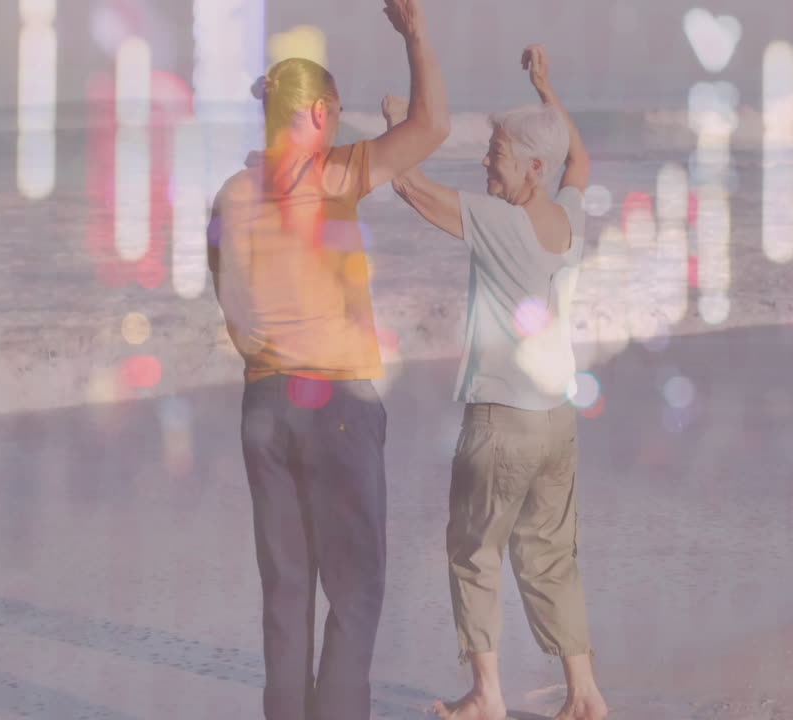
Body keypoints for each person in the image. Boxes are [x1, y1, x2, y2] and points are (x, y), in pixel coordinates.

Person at [205, 1, 449, 718]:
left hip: (262, 405)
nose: (340, 126)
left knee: (285, 597)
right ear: (311, 111)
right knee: (356, 585)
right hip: (335, 403)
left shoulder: (229, 195)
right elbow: (430, 126)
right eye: (335, 113)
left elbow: (232, 307)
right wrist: (416, 35)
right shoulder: (331, 177)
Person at [384, 44, 608, 720]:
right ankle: (585, 695)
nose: (486, 163)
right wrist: (547, 89)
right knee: (551, 556)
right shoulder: (569, 217)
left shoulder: (501, 221)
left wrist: (398, 128)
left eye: (498, 155)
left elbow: (411, 187)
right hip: (556, 421)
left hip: (500, 420)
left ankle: (486, 696)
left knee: (474, 552)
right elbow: (582, 161)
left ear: (531, 170)